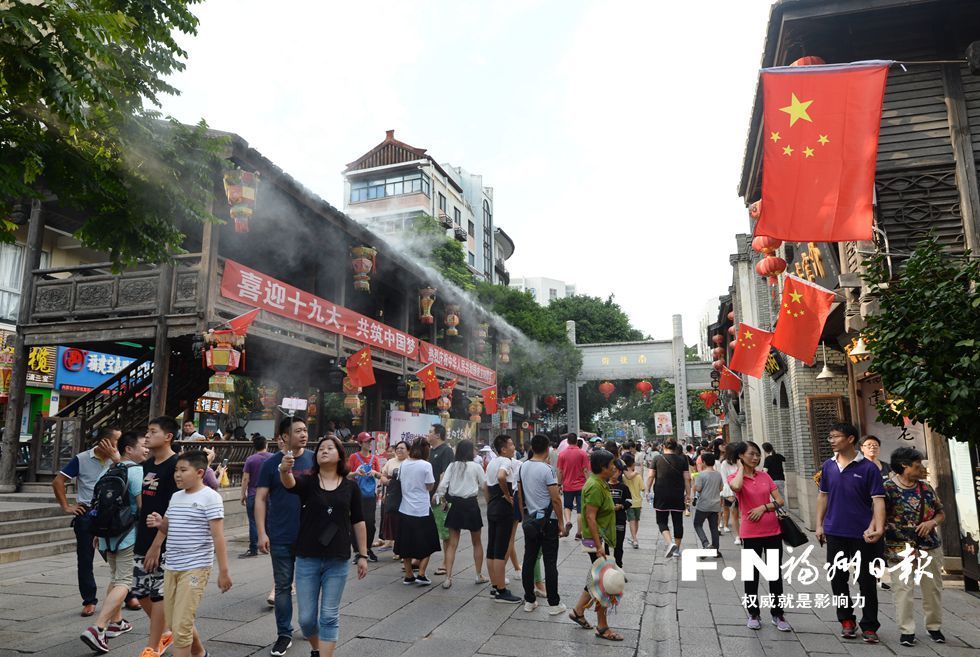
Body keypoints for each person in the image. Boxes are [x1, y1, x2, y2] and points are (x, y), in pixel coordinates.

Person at [280, 435, 368, 657]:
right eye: (320, 449)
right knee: (307, 619)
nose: (324, 451)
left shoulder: (350, 487)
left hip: (337, 559)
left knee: (329, 615)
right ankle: (318, 649)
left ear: (340, 455)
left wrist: (363, 554)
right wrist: (284, 470)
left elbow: (358, 521)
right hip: (307, 557)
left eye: (330, 448)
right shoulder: (308, 482)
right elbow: (290, 484)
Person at [145, 450, 232, 657]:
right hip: (172, 566)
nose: (177, 474)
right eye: (176, 470)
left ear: (200, 472)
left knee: (181, 626)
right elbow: (170, 527)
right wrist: (160, 523)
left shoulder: (210, 497)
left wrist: (224, 571)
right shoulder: (176, 497)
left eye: (183, 470)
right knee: (176, 621)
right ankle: (200, 653)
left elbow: (218, 537)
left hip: (195, 568)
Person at [816, 422, 886, 644]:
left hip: (863, 533)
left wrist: (878, 527)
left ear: (850, 439)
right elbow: (823, 496)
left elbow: (878, 500)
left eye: (836, 436)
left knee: (866, 580)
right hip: (835, 531)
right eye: (830, 437)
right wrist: (819, 525)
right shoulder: (828, 466)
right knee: (838, 578)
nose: (832, 440)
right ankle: (846, 620)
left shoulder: (868, 468)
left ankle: (869, 625)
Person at [79, 432, 146, 653]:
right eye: (143, 445)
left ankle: (116, 623)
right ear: (129, 449)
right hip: (128, 533)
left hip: (106, 534)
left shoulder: (106, 471)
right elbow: (141, 505)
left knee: (115, 578)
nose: (146, 449)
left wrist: (98, 532)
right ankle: (98, 628)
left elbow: (96, 503)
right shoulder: (137, 471)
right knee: (125, 581)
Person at [257, 417, 316, 657]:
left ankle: (310, 626)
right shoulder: (270, 463)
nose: (303, 434)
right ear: (283, 437)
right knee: (282, 587)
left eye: (305, 430)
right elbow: (261, 498)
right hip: (280, 533)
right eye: (298, 431)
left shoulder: (315, 459)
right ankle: (284, 634)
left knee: (309, 586)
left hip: (311, 534)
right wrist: (261, 533)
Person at [53, 426, 122, 617]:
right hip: (87, 514)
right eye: (117, 441)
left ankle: (129, 593)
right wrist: (67, 506)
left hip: (113, 515)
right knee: (85, 559)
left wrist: (117, 460)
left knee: (118, 556)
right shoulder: (82, 458)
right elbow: (58, 481)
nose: (119, 445)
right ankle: (89, 600)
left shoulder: (120, 459)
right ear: (104, 442)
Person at [884, 447, 946, 647]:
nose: (922, 468)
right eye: (918, 464)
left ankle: (934, 627)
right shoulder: (886, 488)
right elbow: (879, 517)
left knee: (933, 588)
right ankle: (906, 630)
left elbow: (940, 513)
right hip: (898, 548)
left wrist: (931, 523)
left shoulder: (926, 488)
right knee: (902, 589)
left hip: (929, 546)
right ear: (905, 466)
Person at [728, 441, 791, 632]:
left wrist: (764, 507)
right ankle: (753, 613)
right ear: (741, 456)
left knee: (775, 575)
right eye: (751, 455)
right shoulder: (734, 476)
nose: (756, 458)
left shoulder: (765, 476)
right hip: (751, 533)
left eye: (757, 455)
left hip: (773, 531)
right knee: (751, 576)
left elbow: (780, 500)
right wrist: (740, 468)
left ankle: (778, 614)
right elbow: (737, 487)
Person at [133, 417, 180, 657]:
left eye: (153, 432)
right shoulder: (146, 465)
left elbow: (173, 508)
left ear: (168, 436)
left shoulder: (176, 466)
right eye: (147, 432)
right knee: (139, 592)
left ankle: (153, 646)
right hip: (142, 536)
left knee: (158, 593)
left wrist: (157, 545)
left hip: (164, 542)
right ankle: (171, 629)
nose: (147, 436)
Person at [568, 449, 622, 642]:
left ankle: (578, 611)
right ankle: (602, 626)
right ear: (602, 467)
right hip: (596, 540)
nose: (614, 467)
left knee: (596, 578)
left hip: (600, 538)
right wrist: (599, 546)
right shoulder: (595, 486)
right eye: (611, 465)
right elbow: (590, 517)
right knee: (603, 582)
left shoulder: (600, 483)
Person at [516, 433, 567, 614]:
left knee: (529, 560)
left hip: (531, 520)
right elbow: (556, 499)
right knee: (550, 562)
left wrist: (525, 514)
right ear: (547, 449)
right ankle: (554, 604)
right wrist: (561, 522)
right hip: (548, 522)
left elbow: (520, 495)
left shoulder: (522, 467)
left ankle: (529, 600)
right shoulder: (547, 470)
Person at [435, 440, 486, 589]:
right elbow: (484, 485)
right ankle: (478, 575)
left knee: (452, 544)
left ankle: (448, 577)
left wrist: (439, 496)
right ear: (470, 451)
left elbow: (443, 485)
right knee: (477, 542)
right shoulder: (476, 466)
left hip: (455, 505)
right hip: (471, 505)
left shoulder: (452, 466)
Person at [395, 438, 442, 586]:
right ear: (426, 450)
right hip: (422, 510)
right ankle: (421, 574)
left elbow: (400, 482)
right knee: (429, 541)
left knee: (405, 543)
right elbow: (429, 486)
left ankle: (409, 575)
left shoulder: (403, 465)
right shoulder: (426, 465)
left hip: (405, 508)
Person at [485, 434, 521, 603]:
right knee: (500, 549)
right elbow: (501, 477)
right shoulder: (506, 461)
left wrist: (490, 501)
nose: (514, 447)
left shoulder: (491, 462)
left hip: (492, 506)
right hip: (503, 507)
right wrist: (506, 495)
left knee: (491, 548)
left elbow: (485, 486)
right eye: (511, 444)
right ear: (504, 449)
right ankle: (501, 590)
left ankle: (494, 586)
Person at [647, 439, 691, 558]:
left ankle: (670, 543)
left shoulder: (657, 459)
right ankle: (676, 549)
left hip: (661, 494)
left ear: (663, 446)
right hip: (677, 495)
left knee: (661, 521)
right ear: (675, 447)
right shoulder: (683, 459)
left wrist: (647, 490)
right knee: (678, 522)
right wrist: (688, 494)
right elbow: (687, 478)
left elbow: (651, 476)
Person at [347, 432, 381, 563]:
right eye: (366, 441)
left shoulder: (375, 458)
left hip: (370, 495)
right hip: (355, 494)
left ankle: (367, 548)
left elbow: (380, 475)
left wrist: (374, 472)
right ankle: (357, 551)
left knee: (370, 522)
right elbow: (346, 475)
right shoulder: (353, 457)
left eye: (370, 441)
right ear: (360, 443)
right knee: (355, 521)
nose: (369, 443)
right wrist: (356, 472)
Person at [426, 424, 454, 576]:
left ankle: (445, 562)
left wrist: (437, 494)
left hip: (442, 499)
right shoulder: (430, 451)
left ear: (437, 435)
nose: (428, 434)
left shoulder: (446, 451)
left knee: (445, 531)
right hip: (429, 497)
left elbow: (445, 475)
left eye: (430, 432)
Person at [239, 434, 272, 558]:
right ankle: (269, 546)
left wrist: (243, 494)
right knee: (268, 520)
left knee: (253, 522)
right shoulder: (272, 458)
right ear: (266, 445)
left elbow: (245, 478)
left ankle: (253, 548)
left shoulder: (250, 460)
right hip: (269, 495)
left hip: (253, 494)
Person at [556, 436, 590, 540]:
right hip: (581, 485)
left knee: (567, 506)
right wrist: (588, 482)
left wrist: (559, 484)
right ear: (576, 441)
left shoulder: (562, 454)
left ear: (567, 441)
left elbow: (560, 471)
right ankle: (579, 533)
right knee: (580, 510)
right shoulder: (583, 453)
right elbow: (585, 470)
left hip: (567, 485)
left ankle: (568, 521)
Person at [380, 441, 408, 557]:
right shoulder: (391, 462)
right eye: (397, 448)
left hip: (405, 495)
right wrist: (384, 480)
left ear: (408, 450)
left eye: (402, 448)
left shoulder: (409, 462)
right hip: (392, 494)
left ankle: (402, 549)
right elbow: (383, 475)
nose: (399, 450)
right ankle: (394, 545)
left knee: (403, 521)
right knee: (392, 519)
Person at [692, 453, 722, 556]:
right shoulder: (718, 474)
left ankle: (705, 543)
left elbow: (699, 489)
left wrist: (695, 485)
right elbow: (721, 488)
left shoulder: (701, 474)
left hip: (704, 505)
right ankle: (716, 550)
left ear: (704, 462)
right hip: (715, 505)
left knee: (697, 524)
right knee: (714, 527)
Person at [717, 443, 742, 543]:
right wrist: (731, 494)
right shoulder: (725, 464)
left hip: (745, 491)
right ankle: (738, 536)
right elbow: (725, 481)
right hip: (732, 492)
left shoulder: (742, 462)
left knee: (743, 514)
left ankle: (745, 534)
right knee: (734, 514)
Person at [609, 460, 631, 568]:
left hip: (620, 519)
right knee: (606, 544)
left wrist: (621, 506)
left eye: (616, 471)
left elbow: (629, 501)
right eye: (611, 471)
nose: (614, 474)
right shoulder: (604, 486)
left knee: (619, 544)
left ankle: (618, 565)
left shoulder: (624, 487)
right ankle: (606, 567)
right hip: (607, 520)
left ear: (620, 473)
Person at [622, 453, 643, 548]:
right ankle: (634, 538)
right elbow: (642, 488)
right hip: (638, 502)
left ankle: (634, 539)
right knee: (636, 520)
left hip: (629, 502)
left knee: (631, 520)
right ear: (633, 464)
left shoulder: (623, 477)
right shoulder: (638, 476)